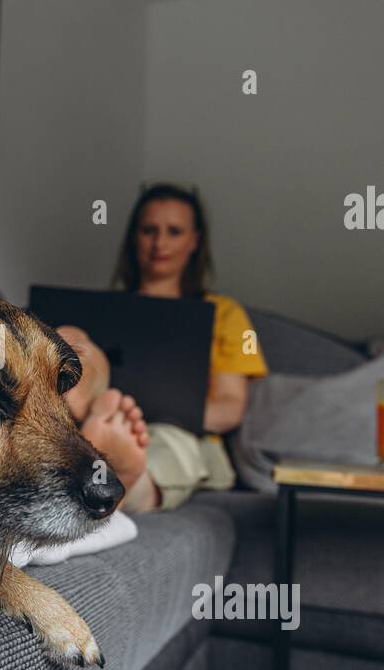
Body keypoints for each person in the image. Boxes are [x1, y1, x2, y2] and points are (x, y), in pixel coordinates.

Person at [59, 183, 268, 511]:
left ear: (195, 241)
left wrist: (152, 410)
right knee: (74, 336)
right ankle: (76, 398)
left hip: (183, 433)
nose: (159, 243)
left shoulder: (225, 313)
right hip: (103, 411)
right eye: (149, 230)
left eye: (174, 231)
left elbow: (230, 407)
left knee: (167, 446)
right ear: (134, 237)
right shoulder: (103, 309)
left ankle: (128, 475)